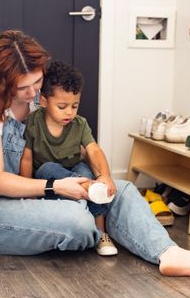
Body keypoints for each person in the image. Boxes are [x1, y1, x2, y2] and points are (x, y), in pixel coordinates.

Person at [0, 29, 190, 278]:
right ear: (1, 81)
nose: (34, 92)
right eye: (24, 87)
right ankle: (104, 225)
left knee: (122, 191)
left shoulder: (41, 98)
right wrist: (57, 186)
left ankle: (168, 254)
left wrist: (103, 178)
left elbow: (87, 147)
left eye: (37, 83)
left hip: (35, 189)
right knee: (78, 222)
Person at [19, 60, 118, 256]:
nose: (70, 112)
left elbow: (94, 150)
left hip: (75, 169)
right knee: (48, 167)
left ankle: (101, 233)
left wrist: (104, 176)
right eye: (62, 106)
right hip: (49, 176)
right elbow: (27, 158)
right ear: (45, 101)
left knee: (86, 173)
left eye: (75, 105)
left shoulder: (79, 124)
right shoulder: (33, 122)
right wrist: (27, 190)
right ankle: (89, 190)